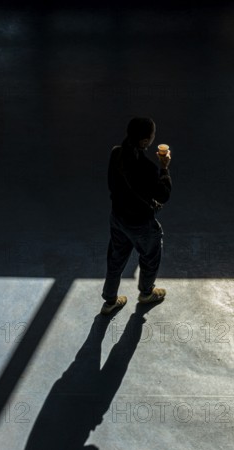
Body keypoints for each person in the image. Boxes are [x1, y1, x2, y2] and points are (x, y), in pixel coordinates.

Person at [100, 117, 172, 315]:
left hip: (118, 217)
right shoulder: (147, 168)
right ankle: (146, 293)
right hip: (140, 223)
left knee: (116, 259)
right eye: (152, 136)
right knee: (150, 257)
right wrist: (164, 168)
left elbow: (111, 185)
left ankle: (110, 300)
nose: (153, 138)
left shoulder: (116, 153)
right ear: (144, 142)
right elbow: (164, 195)